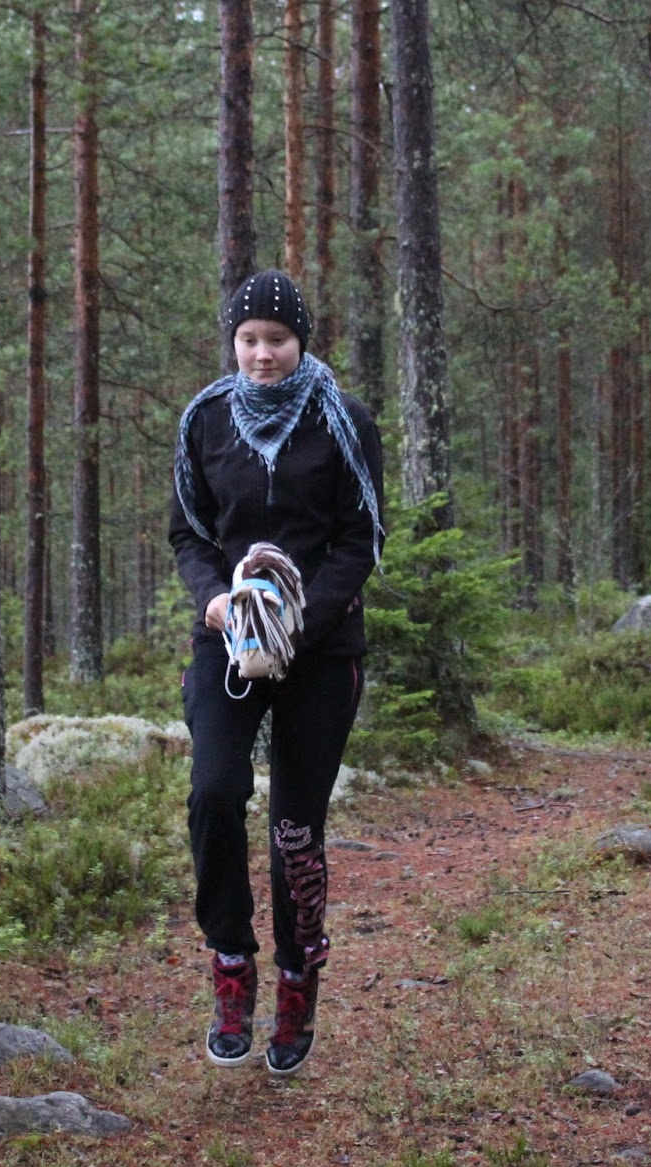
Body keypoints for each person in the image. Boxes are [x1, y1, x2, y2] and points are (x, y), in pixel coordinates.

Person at [169, 269, 385, 1075]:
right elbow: (189, 533)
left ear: (302, 342)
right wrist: (214, 602)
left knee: (295, 828)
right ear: (233, 342)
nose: (262, 354)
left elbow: (362, 540)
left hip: (320, 652)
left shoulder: (343, 420)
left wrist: (301, 619)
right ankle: (231, 962)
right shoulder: (205, 419)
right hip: (228, 646)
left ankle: (298, 980)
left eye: (278, 340)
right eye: (249, 339)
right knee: (213, 794)